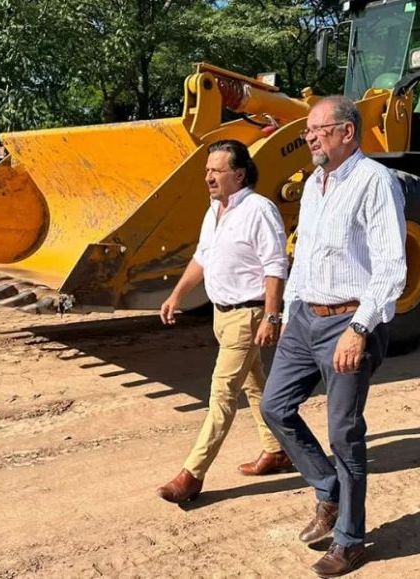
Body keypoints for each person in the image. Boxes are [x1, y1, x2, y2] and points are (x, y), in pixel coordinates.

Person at [260, 96, 407, 577]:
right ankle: (328, 489)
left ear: (347, 132)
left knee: (344, 433)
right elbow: (303, 254)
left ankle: (351, 538)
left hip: (348, 320)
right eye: (308, 130)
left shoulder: (375, 181)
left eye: (319, 129)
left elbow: (391, 266)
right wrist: (287, 312)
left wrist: (359, 328)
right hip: (305, 316)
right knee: (274, 406)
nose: (310, 137)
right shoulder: (314, 184)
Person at [156, 139, 293, 504]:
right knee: (254, 383)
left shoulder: (259, 210)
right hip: (222, 314)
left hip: (248, 316)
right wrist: (177, 295)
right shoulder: (214, 210)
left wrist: (271, 315)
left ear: (239, 174)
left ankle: (192, 474)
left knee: (222, 395)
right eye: (207, 171)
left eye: (216, 171)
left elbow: (275, 266)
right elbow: (202, 257)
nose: (209, 178)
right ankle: (276, 450)